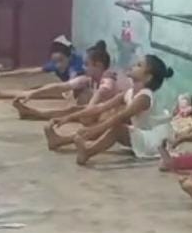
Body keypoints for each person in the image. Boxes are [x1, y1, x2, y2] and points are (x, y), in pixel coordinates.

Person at [44, 54, 174, 166]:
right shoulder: (129, 93)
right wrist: (69, 117)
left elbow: (121, 117)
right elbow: (100, 107)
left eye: (139, 65)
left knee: (115, 128)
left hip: (155, 140)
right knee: (104, 125)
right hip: (143, 133)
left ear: (148, 77)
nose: (133, 66)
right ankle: (60, 140)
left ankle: (88, 151)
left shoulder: (145, 97)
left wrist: (94, 129)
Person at [12, 41, 122, 121]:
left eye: (86, 64)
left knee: (80, 109)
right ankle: (34, 113)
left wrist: (68, 118)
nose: (83, 67)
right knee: (76, 107)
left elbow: (89, 113)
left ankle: (34, 113)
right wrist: (33, 94)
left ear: (98, 65)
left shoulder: (107, 83)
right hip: (98, 110)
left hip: (111, 116)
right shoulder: (88, 79)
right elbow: (61, 87)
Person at [0, 35, 88, 100]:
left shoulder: (77, 66)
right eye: (55, 61)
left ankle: (0, 93)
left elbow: (70, 92)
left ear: (69, 57)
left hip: (84, 90)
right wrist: (2, 75)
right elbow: (29, 72)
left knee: (37, 92)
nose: (57, 65)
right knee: (39, 90)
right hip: (69, 87)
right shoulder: (55, 64)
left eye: (60, 60)